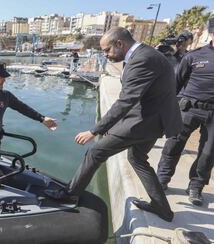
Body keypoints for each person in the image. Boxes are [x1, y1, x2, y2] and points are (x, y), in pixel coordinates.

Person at [44, 27, 182, 222]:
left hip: (143, 121)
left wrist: (95, 130)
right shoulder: (147, 54)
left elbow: (126, 101)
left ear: (120, 44)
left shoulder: (143, 59)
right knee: (137, 159)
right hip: (155, 119)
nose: (105, 55)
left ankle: (70, 194)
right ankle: (162, 207)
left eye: (107, 50)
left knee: (95, 152)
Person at [0, 60, 57, 181]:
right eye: (1, 77)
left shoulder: (5, 96)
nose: (4, 80)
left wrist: (42, 119)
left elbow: (23, 108)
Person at [157, 17, 214, 206]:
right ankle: (162, 180)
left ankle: (196, 187)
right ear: (211, 33)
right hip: (189, 108)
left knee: (208, 153)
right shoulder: (194, 56)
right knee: (173, 145)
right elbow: (175, 84)